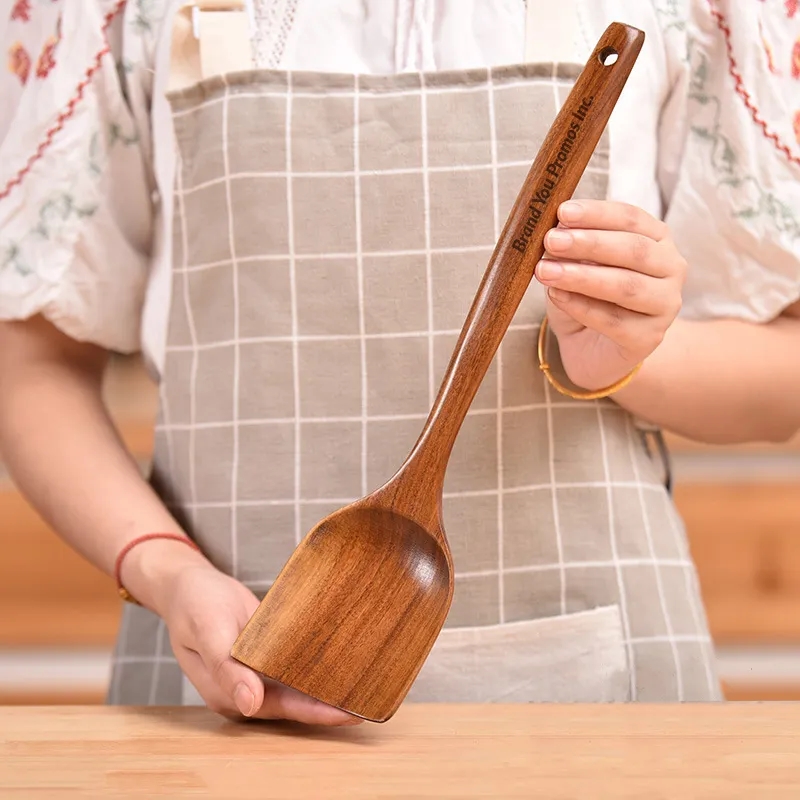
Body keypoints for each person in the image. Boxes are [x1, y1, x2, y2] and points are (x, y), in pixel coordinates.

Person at [0, 0, 798, 726]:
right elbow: (29, 365)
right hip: (224, 668)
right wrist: (166, 572)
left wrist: (631, 358)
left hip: (604, 696)